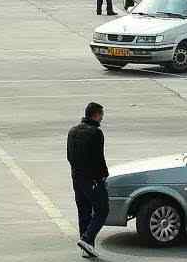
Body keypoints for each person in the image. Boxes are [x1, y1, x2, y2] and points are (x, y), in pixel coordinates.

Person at [67, 102, 109, 259]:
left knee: (83, 211)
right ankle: (86, 239)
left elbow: (69, 156)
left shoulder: (73, 131)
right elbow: (99, 159)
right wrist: (103, 176)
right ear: (95, 115)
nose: (102, 118)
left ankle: (87, 248)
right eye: (101, 115)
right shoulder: (96, 133)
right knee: (102, 210)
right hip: (92, 180)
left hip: (76, 178)